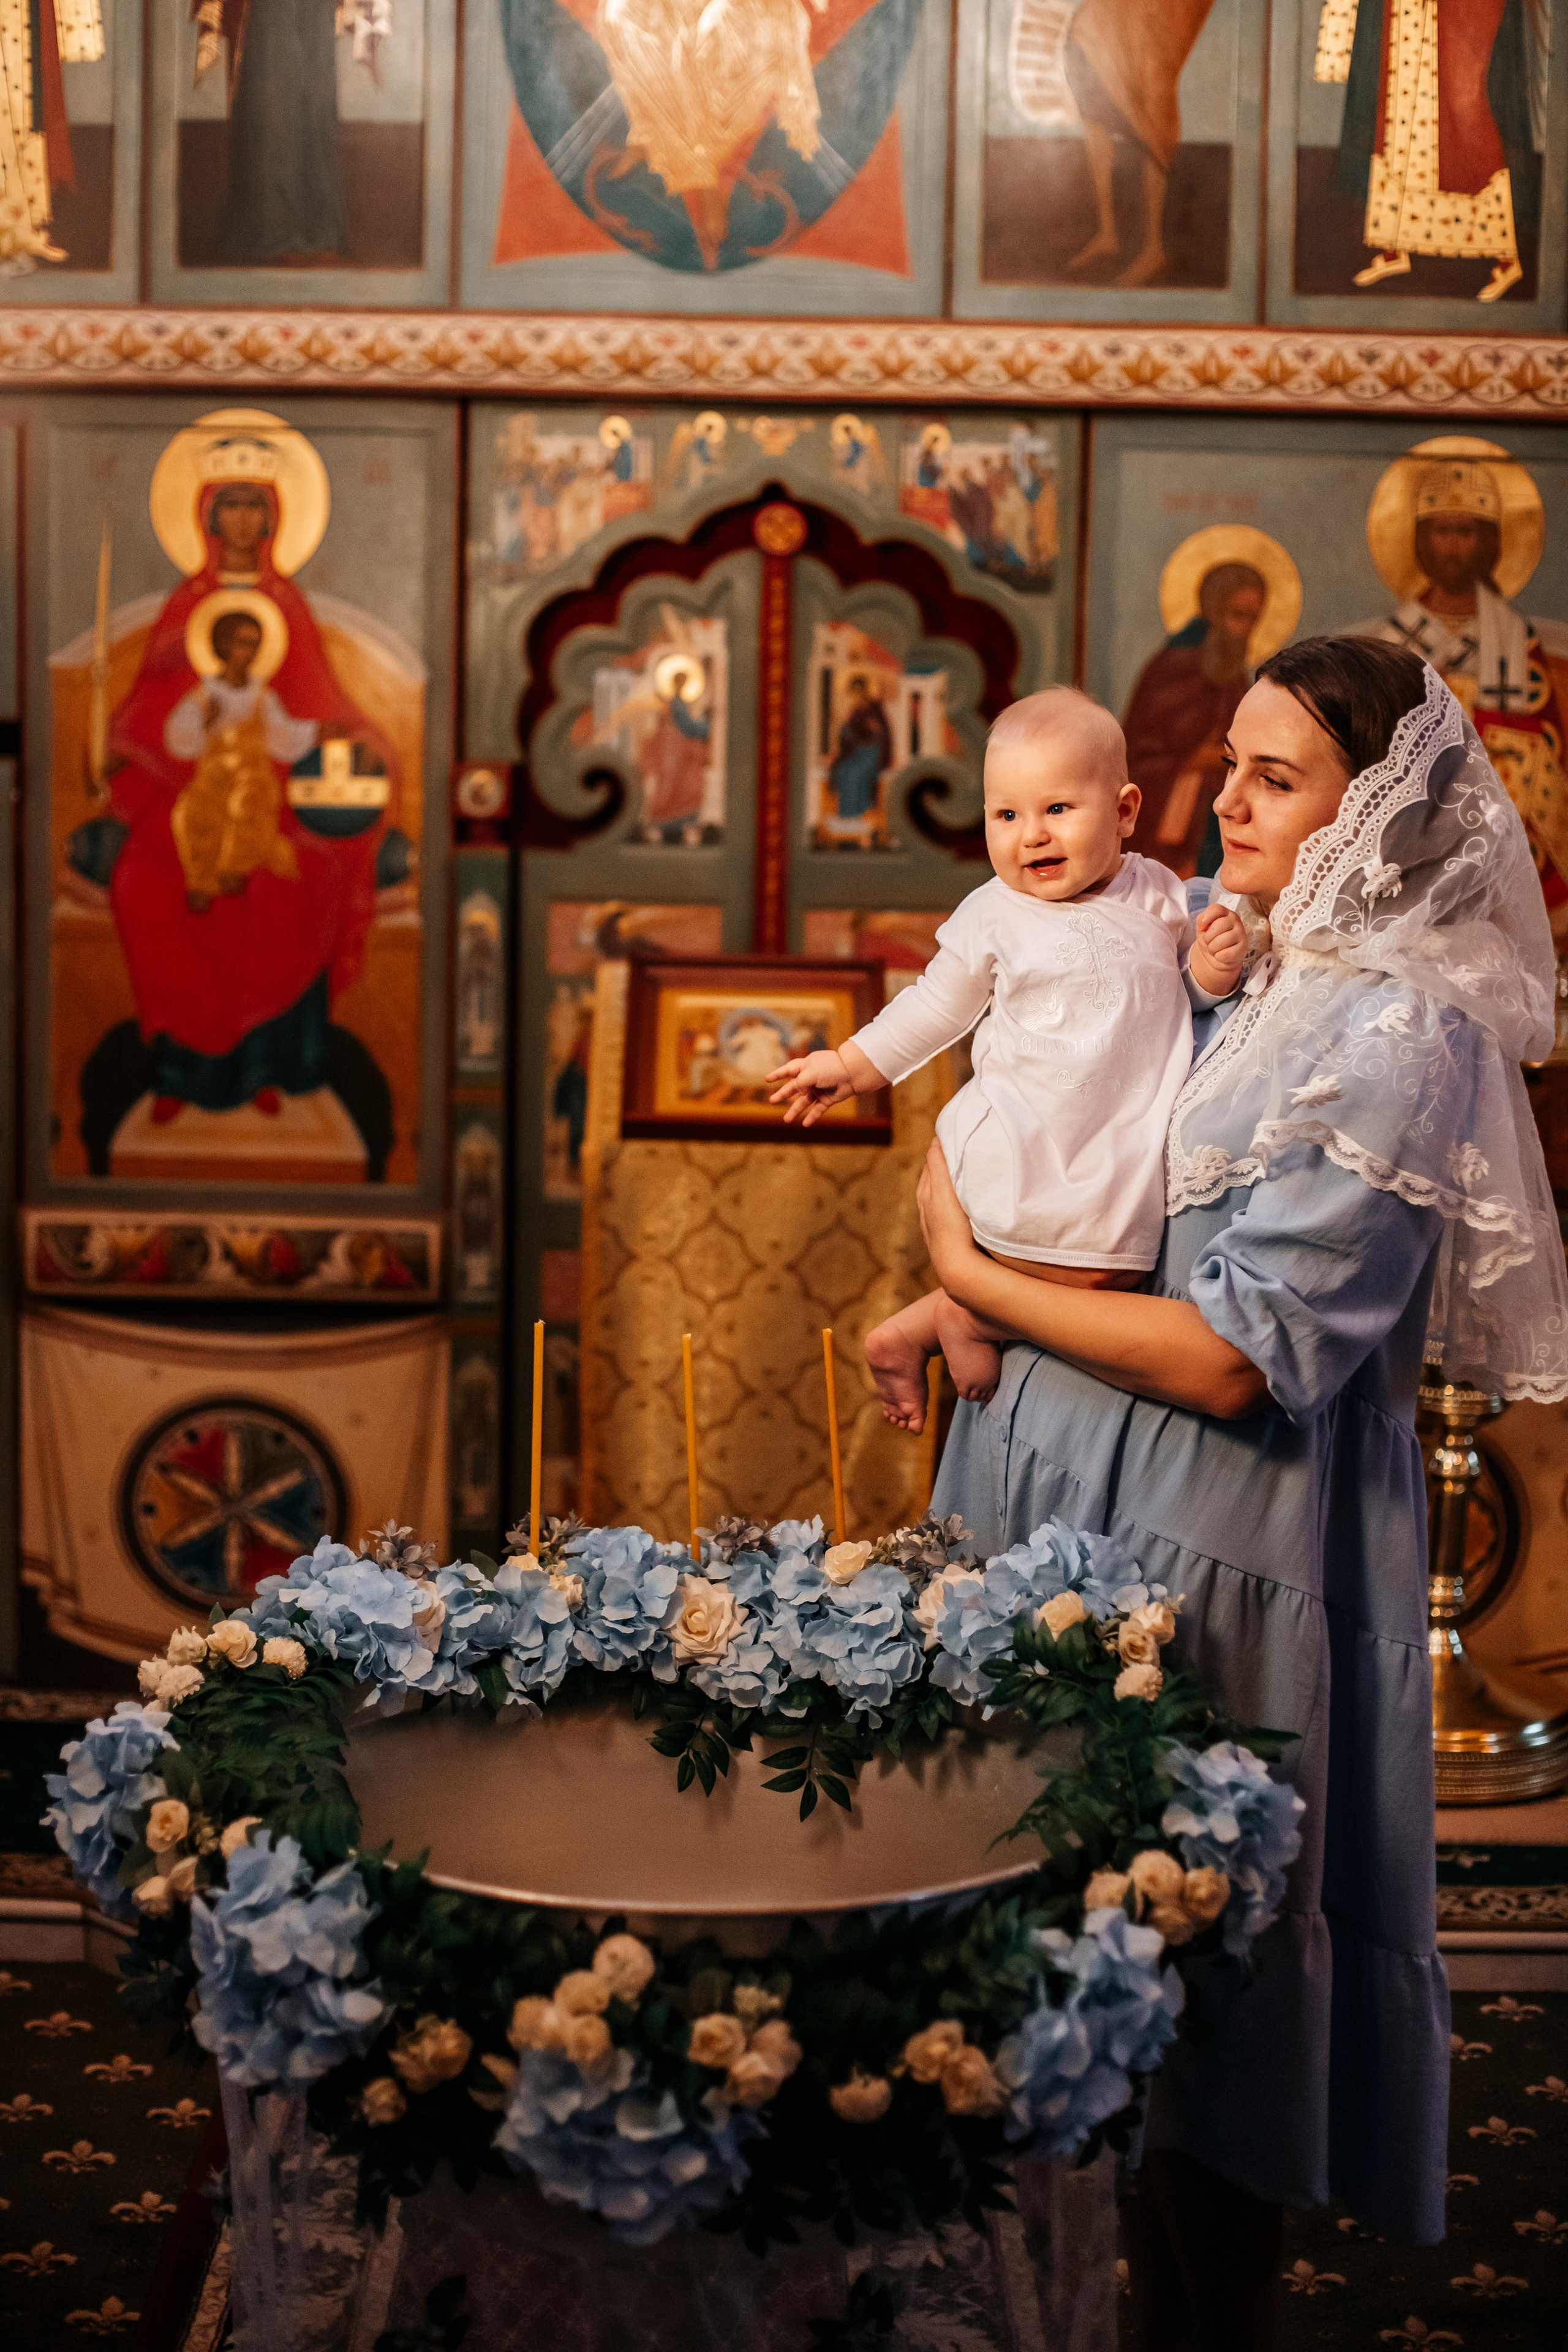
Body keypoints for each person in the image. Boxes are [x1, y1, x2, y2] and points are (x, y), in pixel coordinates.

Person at [911, 638, 1568, 2346]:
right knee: (1074, 1944)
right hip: (1075, 1488)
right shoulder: (1251, 960)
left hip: (1224, 1532)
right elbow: (1130, 1206)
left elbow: (1230, 1354)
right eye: (1228, 769)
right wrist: (959, 1300)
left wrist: (968, 1270)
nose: (1225, 803)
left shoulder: (1407, 1032)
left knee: (1206, 1960)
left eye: (1276, 778)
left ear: (1376, 813)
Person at [768, 690, 1250, 1426]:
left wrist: (1211, 972)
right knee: (1069, 1273)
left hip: (1112, 1140)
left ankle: (947, 1318)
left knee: (1109, 1276)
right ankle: (964, 1314)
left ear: (1123, 811)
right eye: (1006, 816)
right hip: (1027, 1131)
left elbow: (1174, 999)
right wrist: (851, 1065)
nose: (1032, 836)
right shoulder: (993, 913)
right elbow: (934, 1007)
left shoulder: (1156, 894)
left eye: (1057, 809)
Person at [107, 474, 394, 1125]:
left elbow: (311, 706)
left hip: (270, 795)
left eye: (254, 507)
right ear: (208, 517)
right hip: (193, 792)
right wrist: (131, 747)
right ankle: (178, 1072)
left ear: (273, 519)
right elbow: (154, 710)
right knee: (143, 879)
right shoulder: (188, 607)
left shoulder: (285, 607)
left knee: (298, 880)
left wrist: (348, 736)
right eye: (230, 506)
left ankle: (266, 1066)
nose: (241, 519)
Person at [1124, 561, 1266, 876]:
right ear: (1214, 610)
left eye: (1253, 618)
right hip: (1173, 808)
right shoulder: (1176, 664)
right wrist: (1197, 758)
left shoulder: (1229, 668)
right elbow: (1142, 750)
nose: (1245, 628)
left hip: (1215, 803)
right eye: (1237, 615)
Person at [164, 609, 313, 909]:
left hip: (253, 775)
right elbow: (178, 737)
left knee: (243, 803)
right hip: (212, 777)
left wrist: (316, 730)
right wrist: (205, 724)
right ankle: (200, 882)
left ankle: (234, 870)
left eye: (255, 644)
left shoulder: (262, 697)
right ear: (223, 645)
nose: (250, 651)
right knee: (189, 812)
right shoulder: (203, 695)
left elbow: (282, 734)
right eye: (243, 643)